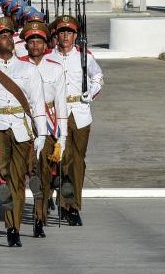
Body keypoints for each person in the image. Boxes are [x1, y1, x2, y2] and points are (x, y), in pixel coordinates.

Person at [0, 17, 47, 247]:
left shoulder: (28, 69)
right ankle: (4, 194)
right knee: (2, 174)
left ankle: (13, 227)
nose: (9, 39)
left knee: (18, 180)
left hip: (21, 126)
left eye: (10, 35)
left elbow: (37, 104)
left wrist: (41, 134)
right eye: (3, 36)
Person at [48, 15, 103, 226]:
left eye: (69, 33)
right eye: (62, 32)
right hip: (57, 113)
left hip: (79, 112)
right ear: (57, 35)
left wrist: (91, 91)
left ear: (75, 36)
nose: (65, 36)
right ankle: (62, 201)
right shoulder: (49, 57)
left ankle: (72, 206)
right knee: (62, 159)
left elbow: (98, 76)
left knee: (77, 161)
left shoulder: (84, 57)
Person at [19, 20, 65, 238]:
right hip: (22, 122)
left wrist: (62, 136)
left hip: (46, 124)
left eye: (39, 40)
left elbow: (61, 104)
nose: (35, 45)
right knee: (22, 170)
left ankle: (39, 217)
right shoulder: (17, 66)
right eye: (31, 41)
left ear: (46, 43)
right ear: (26, 44)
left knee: (42, 172)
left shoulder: (55, 69)